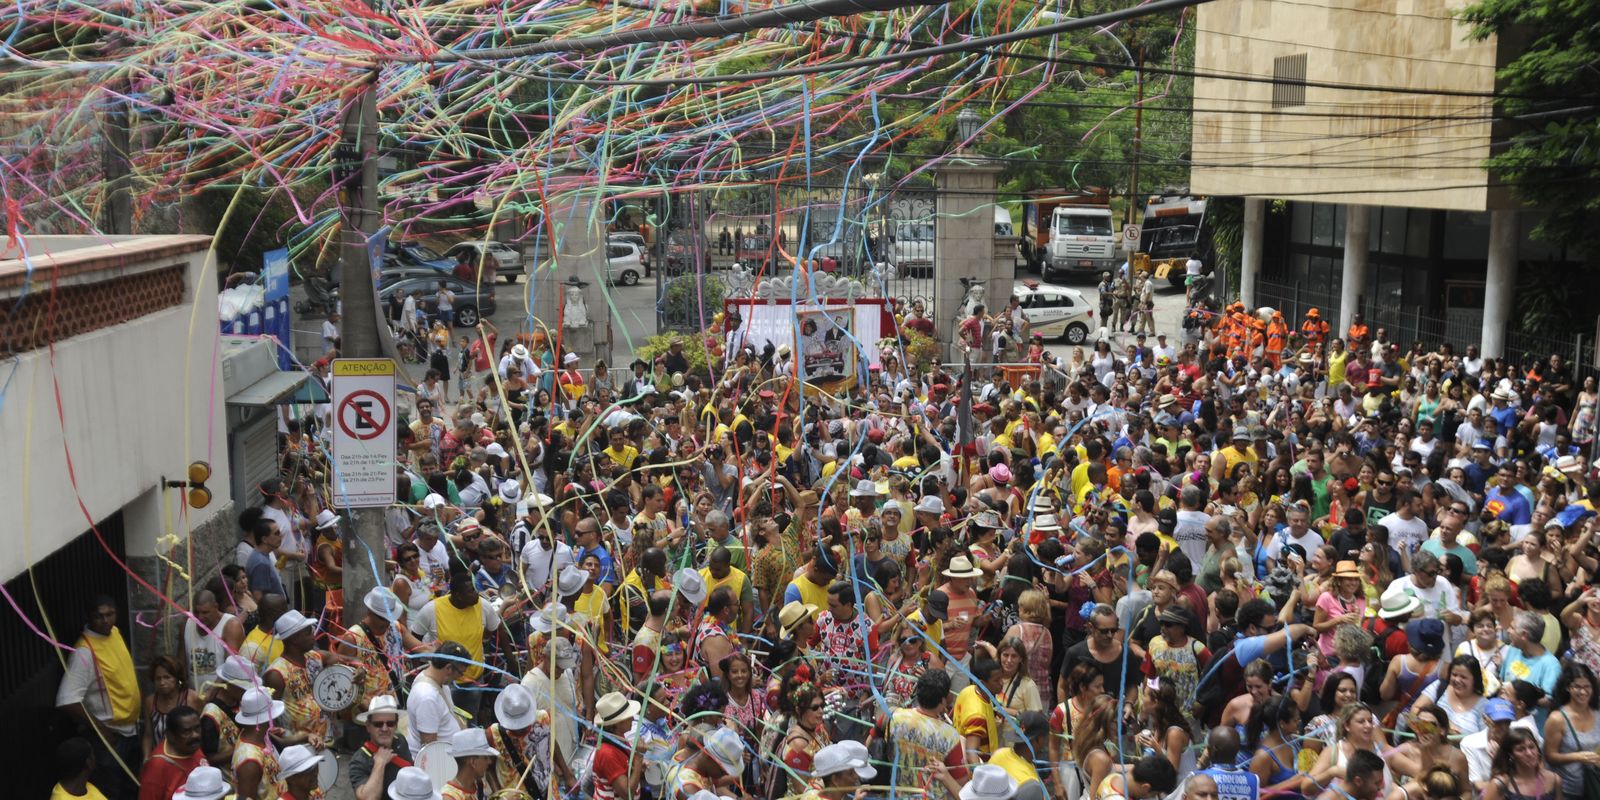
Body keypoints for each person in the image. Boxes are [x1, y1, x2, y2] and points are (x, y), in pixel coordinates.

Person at [57, 597, 142, 800]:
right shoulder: (84, 652)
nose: (105, 621)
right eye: (99, 616)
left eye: (110, 614)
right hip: (109, 739)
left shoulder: (115, 633)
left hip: (131, 732)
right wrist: (101, 730)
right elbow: (67, 700)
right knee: (112, 792)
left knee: (132, 790)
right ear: (89, 617)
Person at [886, 669, 968, 800]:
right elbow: (961, 783)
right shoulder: (950, 736)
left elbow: (875, 740)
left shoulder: (895, 716)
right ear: (943, 700)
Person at [1544, 661, 1600, 798]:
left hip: (1593, 788)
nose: (1583, 692)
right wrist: (1577, 757)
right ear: (1568, 688)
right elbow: (1549, 756)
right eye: (1577, 687)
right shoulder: (1557, 719)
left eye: (1587, 686)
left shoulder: (1597, 714)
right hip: (1565, 790)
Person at [406, 641, 471, 752]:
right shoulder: (427, 697)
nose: (460, 677)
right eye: (460, 673)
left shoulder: (439, 683)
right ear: (449, 668)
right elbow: (429, 748)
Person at [349, 695, 410, 800]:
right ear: (368, 726)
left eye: (390, 723)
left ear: (396, 725)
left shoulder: (401, 740)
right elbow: (368, 798)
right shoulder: (359, 760)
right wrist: (380, 763)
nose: (385, 729)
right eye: (378, 724)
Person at [1483, 728, 1562, 800]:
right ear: (1511, 755)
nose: (1529, 753)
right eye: (1521, 749)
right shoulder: (1500, 785)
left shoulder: (1554, 780)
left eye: (1531, 747)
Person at [444, 728, 501, 800]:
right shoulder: (449, 797)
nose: (489, 761)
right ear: (473, 762)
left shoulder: (480, 783)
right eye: (485, 758)